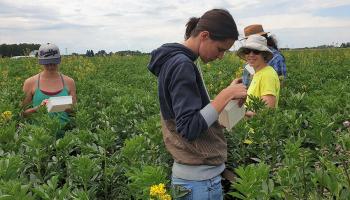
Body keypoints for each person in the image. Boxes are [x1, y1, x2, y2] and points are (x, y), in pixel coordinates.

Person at [148, 9, 247, 200]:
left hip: (191, 181)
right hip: (199, 185)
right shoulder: (182, 65)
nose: (220, 56)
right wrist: (224, 95)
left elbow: (185, 112)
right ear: (204, 36)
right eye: (220, 49)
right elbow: (189, 127)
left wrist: (226, 101)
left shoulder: (174, 60)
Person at [22, 43, 77, 130]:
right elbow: (22, 113)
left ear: (59, 60)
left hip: (66, 135)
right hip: (40, 136)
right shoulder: (30, 82)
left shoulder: (69, 82)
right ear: (41, 62)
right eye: (47, 64)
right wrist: (38, 109)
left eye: (54, 63)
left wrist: (65, 107)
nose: (51, 66)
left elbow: (75, 112)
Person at [237, 35, 280, 117]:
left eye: (256, 51)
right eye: (247, 51)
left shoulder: (267, 75)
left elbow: (267, 110)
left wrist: (240, 114)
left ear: (264, 54)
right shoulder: (258, 73)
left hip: (260, 128)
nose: (251, 54)